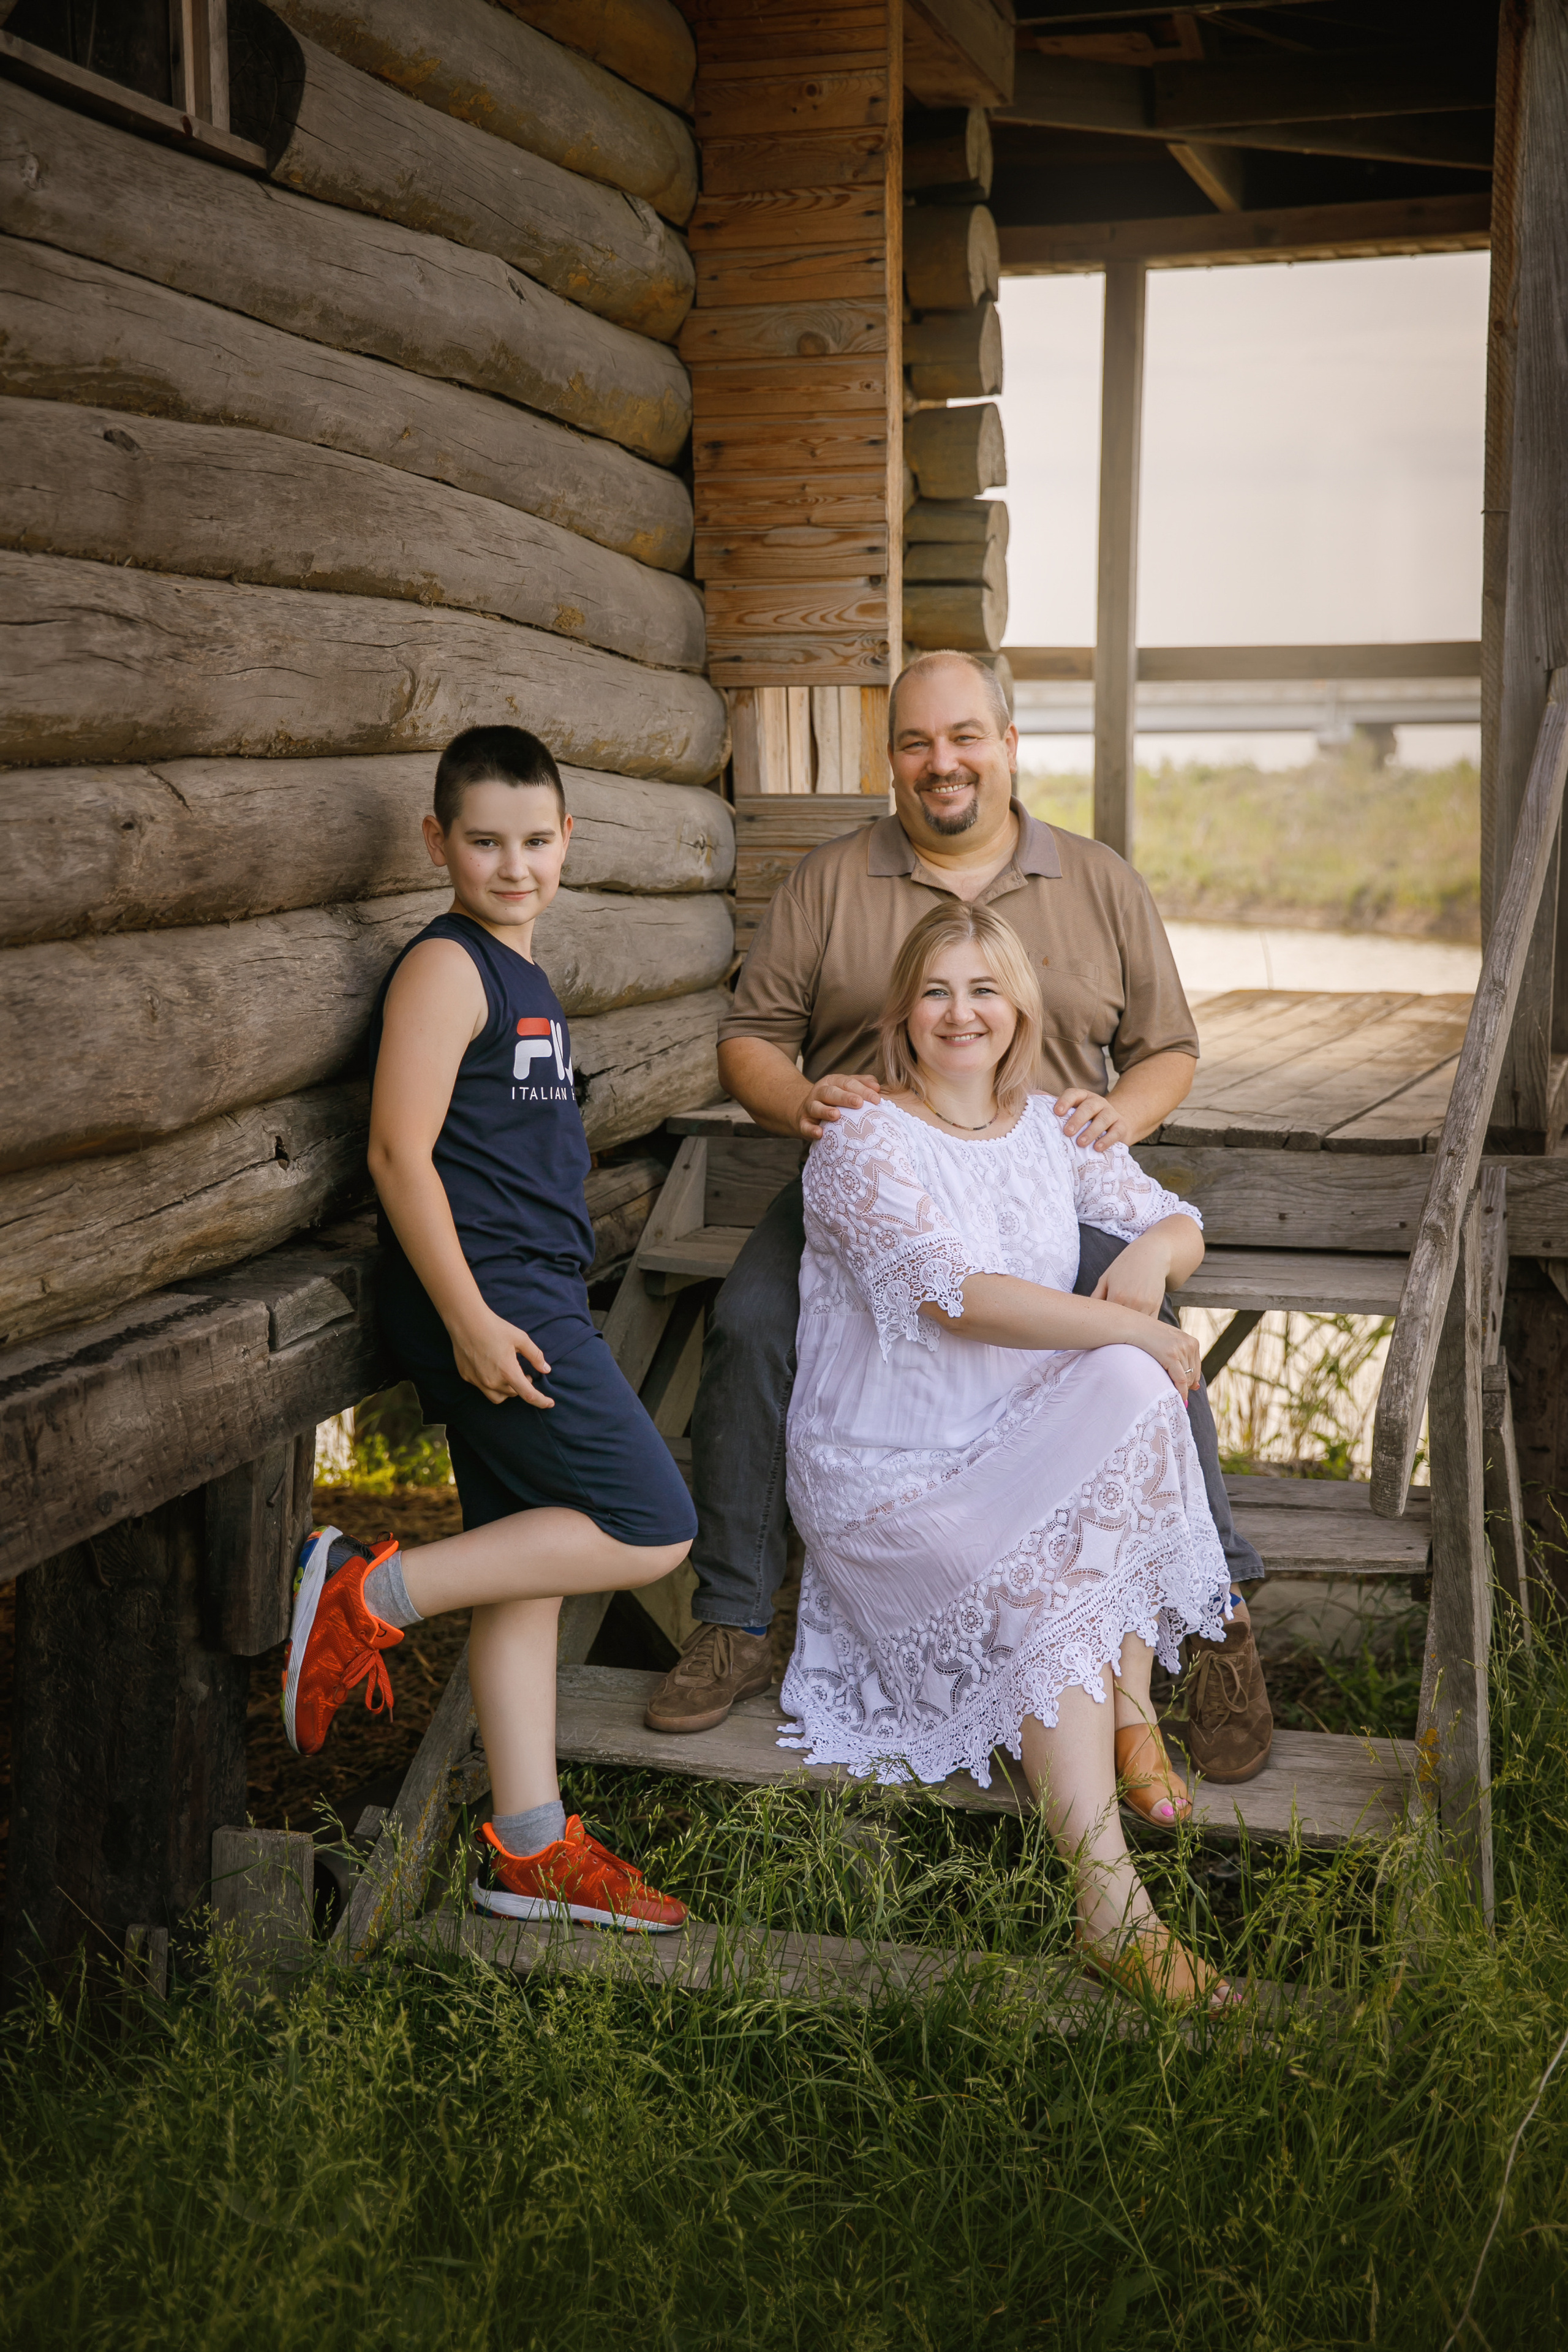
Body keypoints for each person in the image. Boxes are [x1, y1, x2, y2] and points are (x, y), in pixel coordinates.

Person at [646, 649, 1270, 1785]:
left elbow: (1169, 1047)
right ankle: (735, 1612)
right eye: (919, 743)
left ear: (1009, 742)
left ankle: (1219, 1616)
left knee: (1148, 1333)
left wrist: (1113, 1122)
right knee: (745, 1321)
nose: (944, 762)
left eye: (965, 736)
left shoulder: (1097, 878)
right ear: (892, 760)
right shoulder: (830, 881)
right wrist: (797, 1099)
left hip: (1042, 1168)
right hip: (878, 1182)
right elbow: (751, 1036)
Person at [280, 725, 695, 1933]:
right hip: (491, 1302)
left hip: (528, 1295)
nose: (512, 866)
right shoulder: (446, 969)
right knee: (649, 1523)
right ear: (437, 842)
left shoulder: (525, 980)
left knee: (530, 1569)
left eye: (532, 841)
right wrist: (466, 1318)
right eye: (482, 842)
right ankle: (371, 1592)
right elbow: (396, 1153)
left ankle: (528, 1849)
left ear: (566, 840)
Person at [780, 900, 1235, 2003]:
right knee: (1056, 1553)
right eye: (936, 990)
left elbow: (1176, 1219)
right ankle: (1113, 1911)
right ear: (901, 1012)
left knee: (1137, 1384)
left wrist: (1150, 1269)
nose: (960, 1012)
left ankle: (1128, 1706)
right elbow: (959, 1299)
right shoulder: (861, 1143)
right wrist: (1133, 1321)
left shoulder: (1046, 1130)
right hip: (890, 1476)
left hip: (1014, 1444)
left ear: (1021, 1008)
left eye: (984, 989)